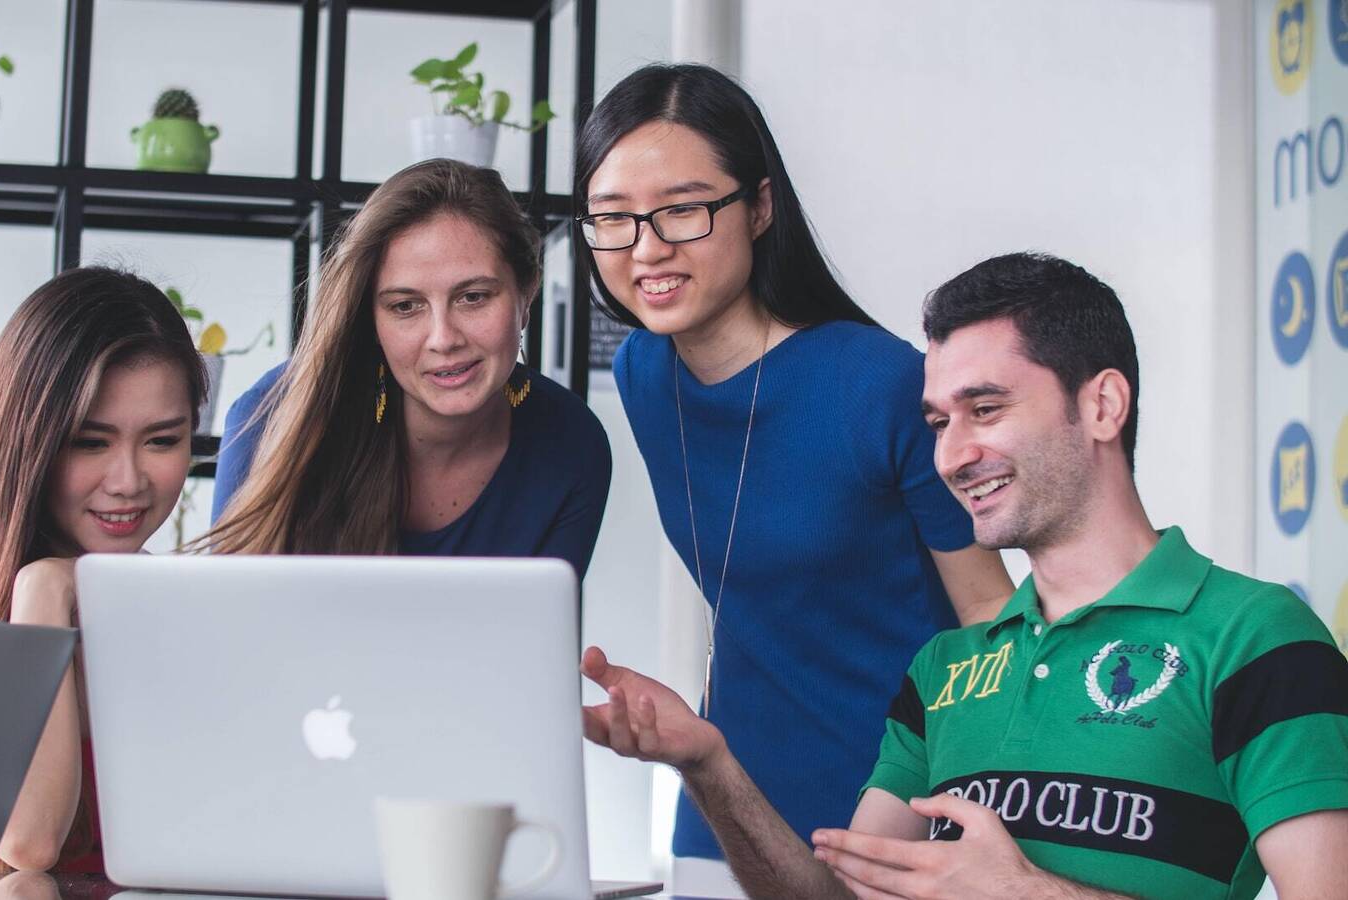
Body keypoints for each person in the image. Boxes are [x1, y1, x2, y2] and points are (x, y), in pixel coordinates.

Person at [581, 252, 1348, 899]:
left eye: (986, 408)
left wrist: (1030, 893)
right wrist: (709, 761)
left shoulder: (1256, 637)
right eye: (941, 423)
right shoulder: (946, 668)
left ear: (1104, 405)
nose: (952, 455)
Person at [572, 63, 1013, 891]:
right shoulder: (643, 373)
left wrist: (977, 807)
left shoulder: (879, 384)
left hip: (899, 804)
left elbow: (988, 615)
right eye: (614, 219)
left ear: (761, 205)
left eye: (684, 210)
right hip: (728, 795)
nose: (648, 248)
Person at [0, 267, 207, 873]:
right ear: (29, 440)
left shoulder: (163, 601)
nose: (128, 482)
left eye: (162, 441)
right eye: (90, 442)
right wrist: (43, 594)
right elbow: (26, 844)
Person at [206, 159, 611, 576]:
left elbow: (539, 635)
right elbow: (229, 625)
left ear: (526, 293)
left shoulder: (572, 445)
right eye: (405, 306)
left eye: (473, 297)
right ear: (371, 319)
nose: (443, 338)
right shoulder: (273, 417)